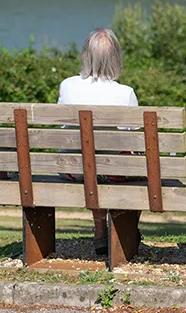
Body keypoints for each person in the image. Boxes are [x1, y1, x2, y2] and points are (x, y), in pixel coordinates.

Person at [57, 27, 142, 256]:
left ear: (86, 55)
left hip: (73, 170)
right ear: (115, 59)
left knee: (92, 164)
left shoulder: (67, 85)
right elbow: (134, 138)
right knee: (125, 165)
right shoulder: (125, 93)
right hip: (112, 171)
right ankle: (124, 232)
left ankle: (99, 231)